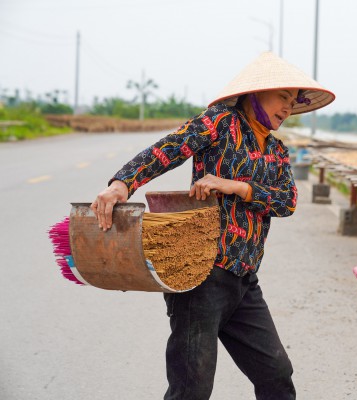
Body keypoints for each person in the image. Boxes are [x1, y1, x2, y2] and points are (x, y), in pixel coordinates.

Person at [91, 51, 335, 400]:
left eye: (293, 102)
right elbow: (168, 149)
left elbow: (288, 201)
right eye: (282, 97)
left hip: (244, 280)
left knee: (277, 377)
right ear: (256, 92)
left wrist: (237, 186)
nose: (288, 108)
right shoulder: (220, 123)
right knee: (192, 389)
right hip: (200, 276)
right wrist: (122, 184)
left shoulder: (277, 150)